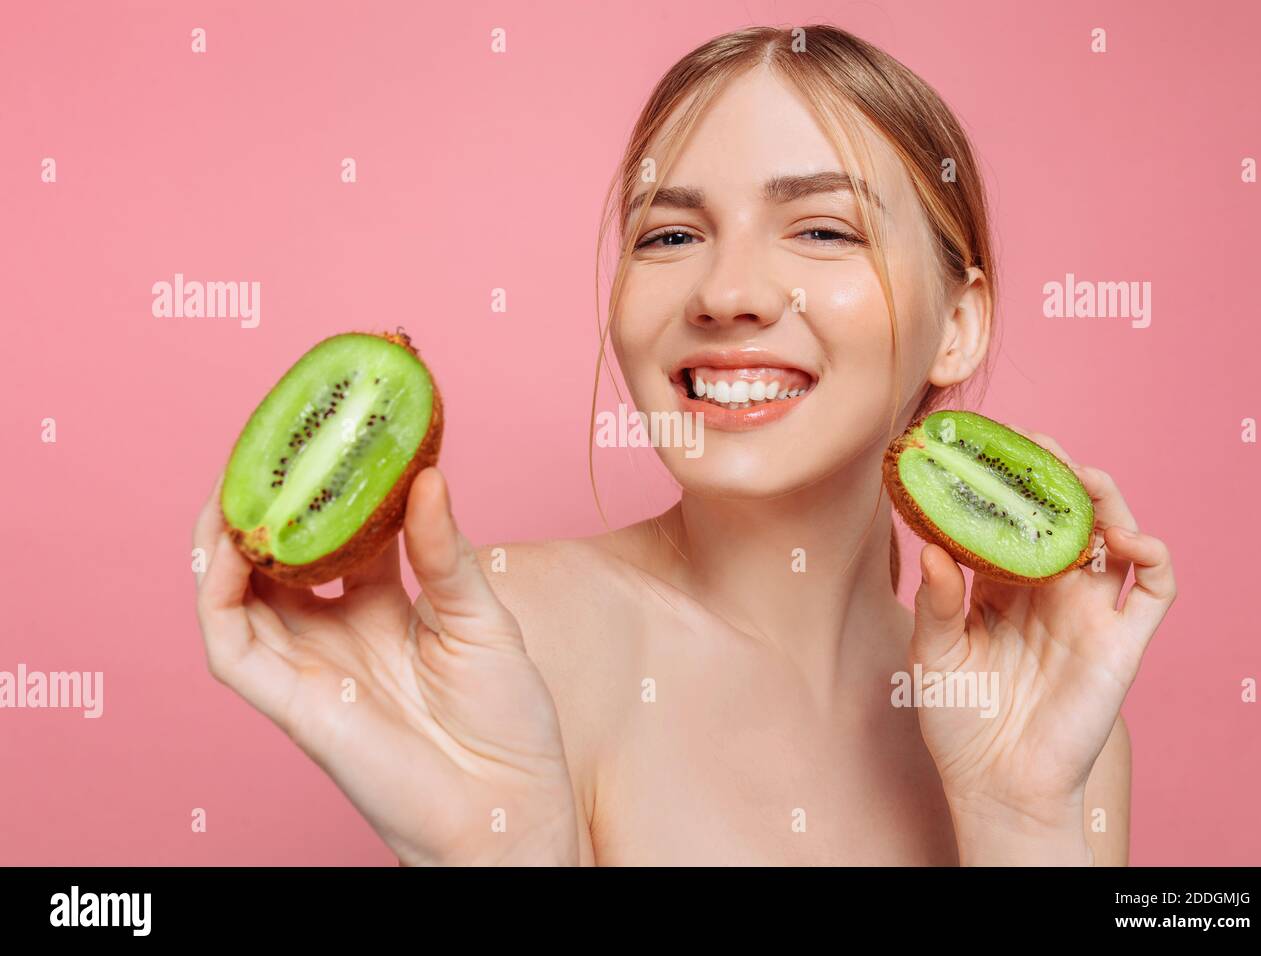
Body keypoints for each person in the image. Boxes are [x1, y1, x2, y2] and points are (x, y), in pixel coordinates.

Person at [193, 24, 1176, 865]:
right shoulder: (511, 635)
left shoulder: (1046, 711)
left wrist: (1023, 822)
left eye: (823, 230)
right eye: (668, 236)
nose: (726, 291)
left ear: (959, 321)